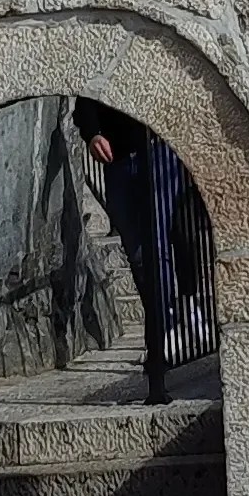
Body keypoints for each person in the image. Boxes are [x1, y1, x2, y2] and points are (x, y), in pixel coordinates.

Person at [74, 99, 175, 401]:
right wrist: (92, 135)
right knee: (138, 255)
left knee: (156, 246)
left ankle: (162, 338)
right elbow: (84, 104)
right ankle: (160, 331)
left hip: (157, 154)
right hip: (118, 161)